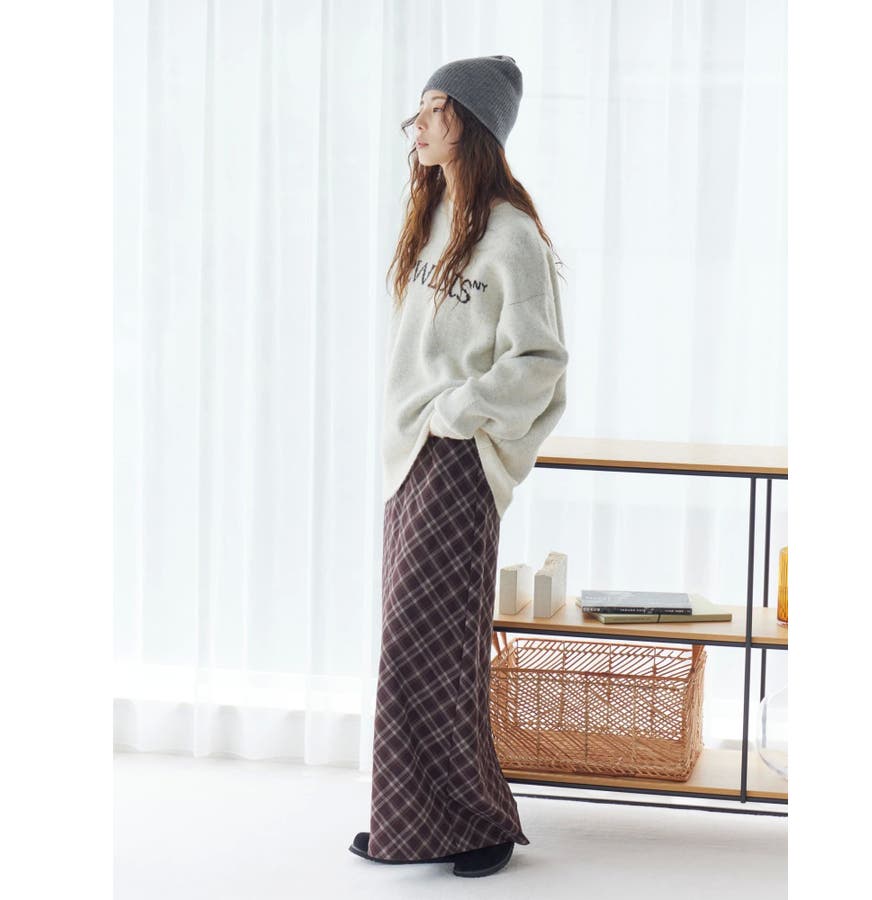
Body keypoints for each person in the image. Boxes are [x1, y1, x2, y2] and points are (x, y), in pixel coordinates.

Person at [348, 54, 569, 879]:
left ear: (471, 124)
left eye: (435, 108)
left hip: (457, 454)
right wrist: (423, 420)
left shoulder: (511, 236)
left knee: (431, 647)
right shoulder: (434, 217)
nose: (419, 124)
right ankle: (411, 822)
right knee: (410, 645)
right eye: (419, 109)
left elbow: (540, 360)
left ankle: (480, 824)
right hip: (409, 454)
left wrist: (458, 412)